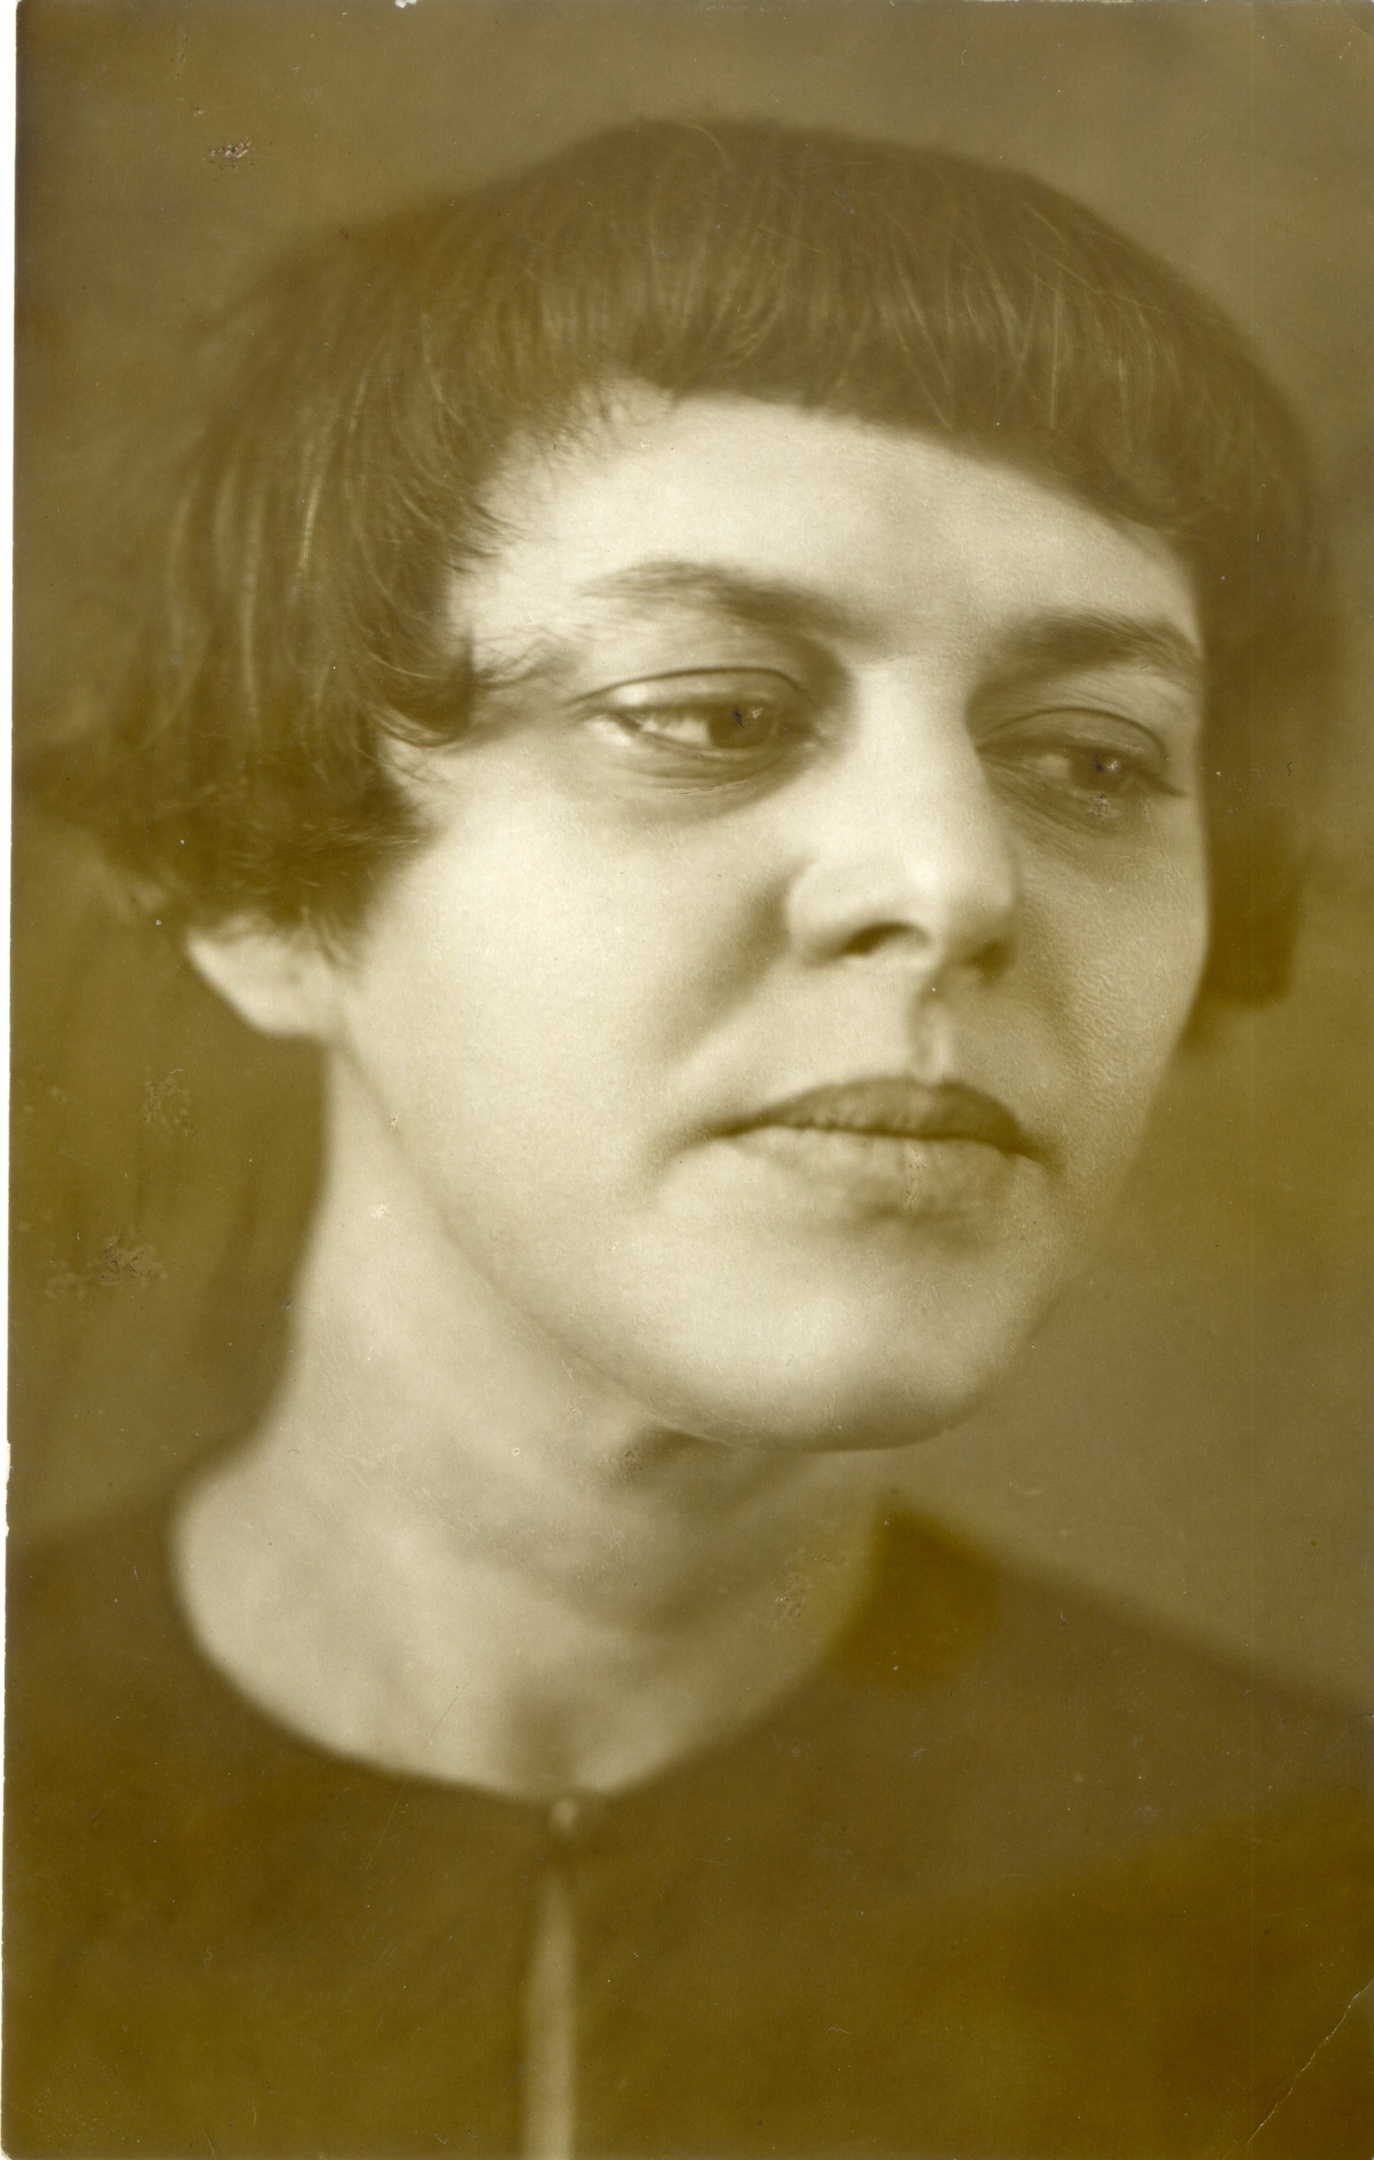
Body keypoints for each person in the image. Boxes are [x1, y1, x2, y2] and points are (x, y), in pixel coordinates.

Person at [6, 118, 1370, 2157]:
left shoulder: (1320, 1916)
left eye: (1094, 758)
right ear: (269, 890)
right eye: (711, 713)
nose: (952, 880)